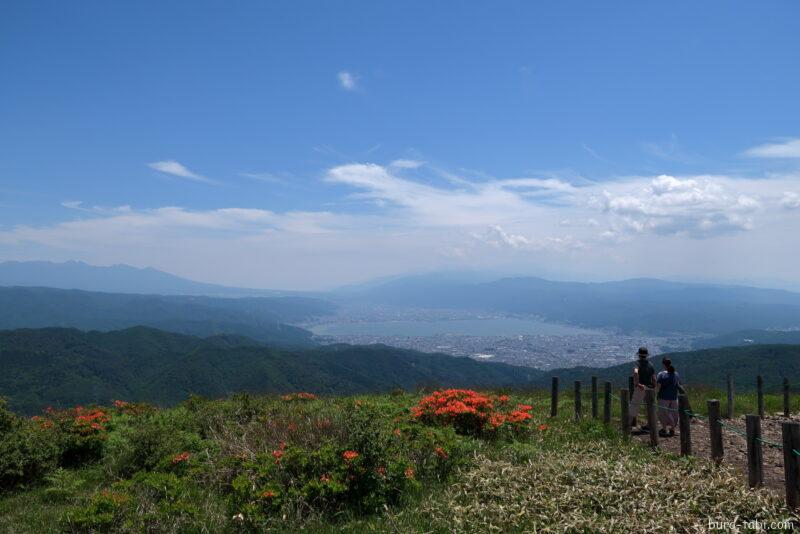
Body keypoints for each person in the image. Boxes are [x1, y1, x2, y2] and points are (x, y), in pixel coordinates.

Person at [629, 347, 656, 432]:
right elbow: (654, 378)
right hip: (649, 388)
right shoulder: (651, 364)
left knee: (634, 405)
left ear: (639, 355)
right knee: (649, 406)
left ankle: (628, 424)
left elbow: (636, 372)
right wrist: (654, 386)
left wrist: (637, 383)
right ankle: (650, 425)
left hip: (641, 387)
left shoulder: (637, 363)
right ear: (646, 355)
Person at [656, 357, 681, 437]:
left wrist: (657, 394)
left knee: (664, 413)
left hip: (663, 397)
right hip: (674, 397)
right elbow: (678, 384)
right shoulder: (676, 374)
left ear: (663, 364)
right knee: (673, 413)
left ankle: (664, 428)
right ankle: (672, 429)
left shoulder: (661, 374)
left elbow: (658, 386)